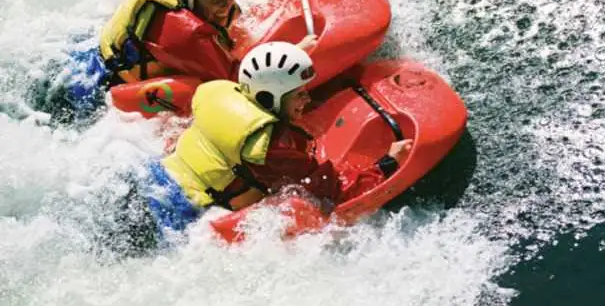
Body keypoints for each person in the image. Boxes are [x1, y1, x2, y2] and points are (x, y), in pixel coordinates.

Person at [136, 41, 412, 236]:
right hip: (180, 213)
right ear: (270, 98)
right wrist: (387, 163)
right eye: (299, 93)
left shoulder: (226, 93)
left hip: (153, 178)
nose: (308, 98)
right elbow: (332, 192)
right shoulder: (271, 147)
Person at [41, 0, 316, 123]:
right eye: (218, 1)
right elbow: (243, 83)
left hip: (88, 60)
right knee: (199, 91)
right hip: (90, 92)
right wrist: (296, 52)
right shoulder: (185, 34)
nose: (227, 7)